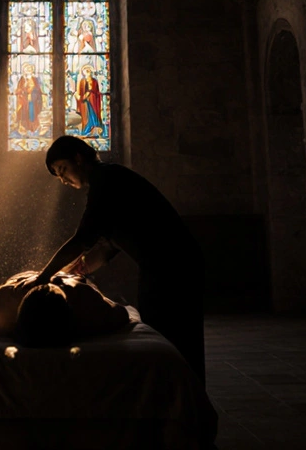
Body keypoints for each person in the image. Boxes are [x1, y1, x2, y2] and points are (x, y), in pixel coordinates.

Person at [31, 136, 207, 383]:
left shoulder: (106, 179)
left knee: (173, 341)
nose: (63, 180)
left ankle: (184, 406)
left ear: (78, 158)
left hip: (173, 269)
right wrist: (85, 265)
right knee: (169, 339)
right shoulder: (108, 178)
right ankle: (181, 402)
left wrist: (44, 275)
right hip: (167, 266)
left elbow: (83, 238)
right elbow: (111, 240)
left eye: (63, 170)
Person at [0, 270, 130, 345]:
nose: (47, 283)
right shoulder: (84, 302)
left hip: (25, 283)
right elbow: (122, 312)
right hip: (71, 280)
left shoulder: (3, 311)